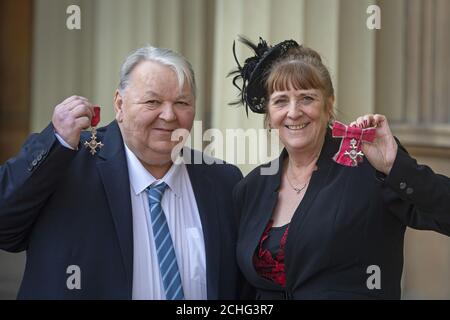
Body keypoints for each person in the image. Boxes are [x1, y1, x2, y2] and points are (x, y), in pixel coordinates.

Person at [0, 46, 243, 299]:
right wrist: (56, 142)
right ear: (119, 104)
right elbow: (5, 226)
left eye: (182, 103)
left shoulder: (223, 182)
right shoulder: (68, 163)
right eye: (153, 102)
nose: (169, 115)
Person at [230, 36, 450, 299]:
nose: (293, 111)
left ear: (329, 104)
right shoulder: (250, 187)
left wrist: (395, 166)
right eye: (280, 101)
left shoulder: (369, 166)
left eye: (306, 98)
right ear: (269, 115)